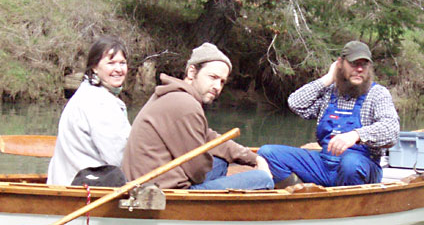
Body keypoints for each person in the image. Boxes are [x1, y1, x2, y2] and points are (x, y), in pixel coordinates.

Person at [122, 42, 273, 190]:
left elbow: (209, 137)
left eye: (222, 82)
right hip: (159, 189)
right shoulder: (185, 104)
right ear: (192, 72)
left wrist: (253, 157)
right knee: (263, 179)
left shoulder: (174, 95)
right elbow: (197, 171)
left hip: (156, 179)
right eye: (213, 77)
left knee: (220, 162)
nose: (217, 87)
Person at [258, 40, 399, 187]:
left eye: (363, 65)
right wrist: (329, 78)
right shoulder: (329, 92)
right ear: (340, 63)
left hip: (362, 165)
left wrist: (356, 135)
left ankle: (347, 205)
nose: (359, 69)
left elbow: (391, 130)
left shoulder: (378, 94)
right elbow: (295, 103)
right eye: (353, 64)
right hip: (324, 164)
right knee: (267, 153)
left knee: (351, 164)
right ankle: (303, 198)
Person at [47, 36, 131, 186]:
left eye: (122, 63)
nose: (118, 69)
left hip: (67, 181)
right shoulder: (99, 102)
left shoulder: (87, 93)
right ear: (94, 67)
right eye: (110, 63)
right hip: (82, 186)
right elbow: (118, 157)